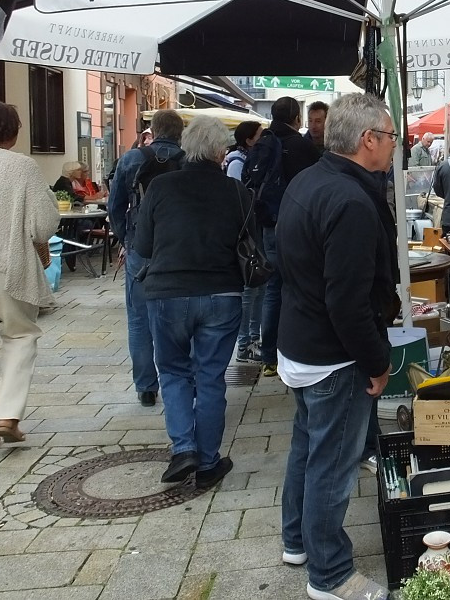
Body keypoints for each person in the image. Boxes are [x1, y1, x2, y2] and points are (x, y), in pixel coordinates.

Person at [276, 93, 394, 600]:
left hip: (302, 343)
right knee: (332, 465)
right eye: (390, 137)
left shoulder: (309, 179)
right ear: (368, 140)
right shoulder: (349, 200)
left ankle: (297, 540)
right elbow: (346, 301)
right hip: (332, 354)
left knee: (308, 446)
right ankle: (330, 575)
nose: (392, 146)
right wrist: (377, 362)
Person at [132, 116, 251, 488]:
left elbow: (144, 247)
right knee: (211, 377)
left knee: (173, 372)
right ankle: (208, 460)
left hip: (168, 292)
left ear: (186, 146)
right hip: (221, 293)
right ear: (221, 152)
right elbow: (249, 246)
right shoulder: (237, 192)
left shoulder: (161, 187)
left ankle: (183, 448)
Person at [0, 101, 59, 459]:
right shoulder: (22, 166)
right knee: (21, 334)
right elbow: (43, 225)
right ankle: (7, 413)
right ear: (12, 132)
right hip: (8, 266)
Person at [108, 109, 186, 407]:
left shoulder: (131, 159)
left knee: (139, 318)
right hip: (178, 246)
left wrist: (125, 239)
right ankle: (179, 377)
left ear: (152, 130)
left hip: (140, 246)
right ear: (180, 133)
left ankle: (146, 386)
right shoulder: (189, 160)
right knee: (179, 314)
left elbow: (115, 205)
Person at [258, 97, 321, 378]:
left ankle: (269, 357)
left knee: (272, 291)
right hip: (297, 226)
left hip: (269, 226)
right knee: (299, 286)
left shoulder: (263, 141)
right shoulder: (301, 145)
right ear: (296, 117)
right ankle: (294, 351)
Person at [225, 121, 265, 363]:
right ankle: (244, 345)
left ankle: (252, 339)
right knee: (250, 291)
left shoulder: (249, 159)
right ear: (249, 140)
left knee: (258, 289)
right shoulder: (237, 162)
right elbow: (237, 199)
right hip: (244, 235)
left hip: (252, 231)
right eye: (260, 135)